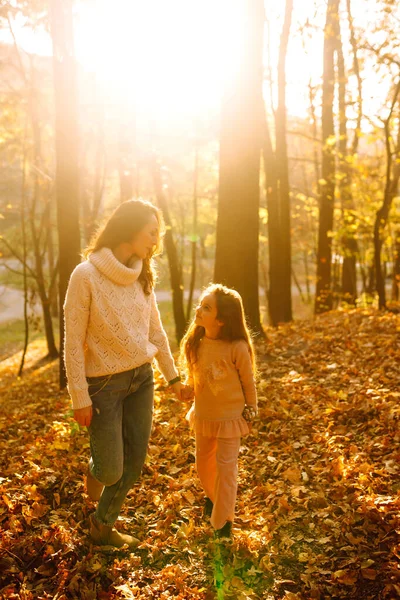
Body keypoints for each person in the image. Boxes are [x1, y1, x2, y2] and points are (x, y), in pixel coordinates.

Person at [64, 199, 183, 548]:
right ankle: (97, 466)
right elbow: (73, 341)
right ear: (129, 228)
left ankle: (102, 527)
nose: (155, 241)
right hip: (103, 387)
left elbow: (156, 332)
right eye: (151, 232)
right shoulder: (84, 276)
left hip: (142, 381)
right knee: (110, 470)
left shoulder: (143, 273)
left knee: (133, 465)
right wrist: (78, 397)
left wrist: (173, 378)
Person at [180, 283, 258, 539]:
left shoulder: (237, 347)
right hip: (204, 416)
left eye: (206, 307)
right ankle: (214, 500)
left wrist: (252, 408)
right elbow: (195, 379)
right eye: (200, 304)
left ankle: (223, 523)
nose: (199, 310)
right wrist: (187, 389)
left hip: (230, 419)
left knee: (226, 469)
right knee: (204, 466)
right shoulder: (196, 344)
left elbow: (248, 381)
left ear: (222, 319)